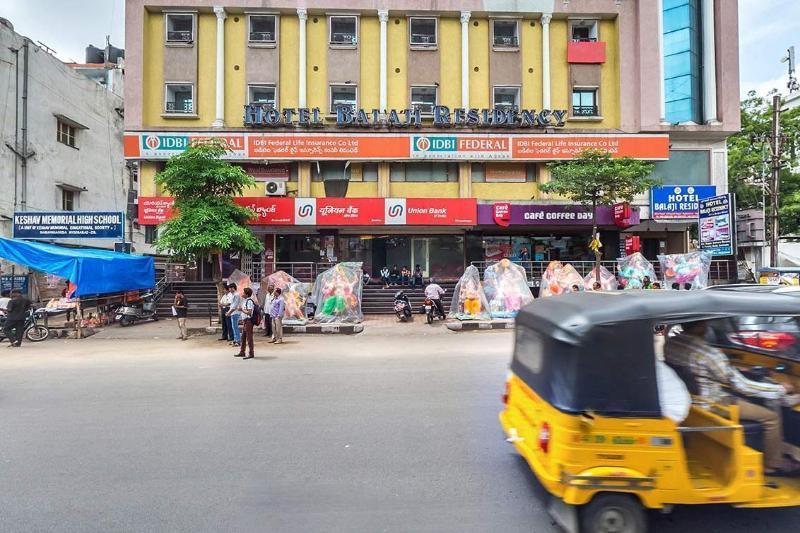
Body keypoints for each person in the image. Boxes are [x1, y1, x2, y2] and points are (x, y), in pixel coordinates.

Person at [665, 321, 797, 474]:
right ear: (702, 326)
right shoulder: (709, 354)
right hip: (713, 404)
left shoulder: (672, 343)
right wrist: (781, 389)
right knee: (771, 417)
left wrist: (732, 369)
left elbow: (718, 374)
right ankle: (772, 464)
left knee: (751, 398)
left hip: (690, 399)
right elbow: (743, 387)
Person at [236, 287, 256, 359]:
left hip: (249, 321)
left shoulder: (249, 301)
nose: (242, 294)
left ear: (247, 294)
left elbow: (249, 312)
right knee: (243, 337)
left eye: (244, 293)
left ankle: (251, 353)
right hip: (245, 321)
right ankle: (242, 351)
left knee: (249, 337)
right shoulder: (245, 301)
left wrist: (242, 310)